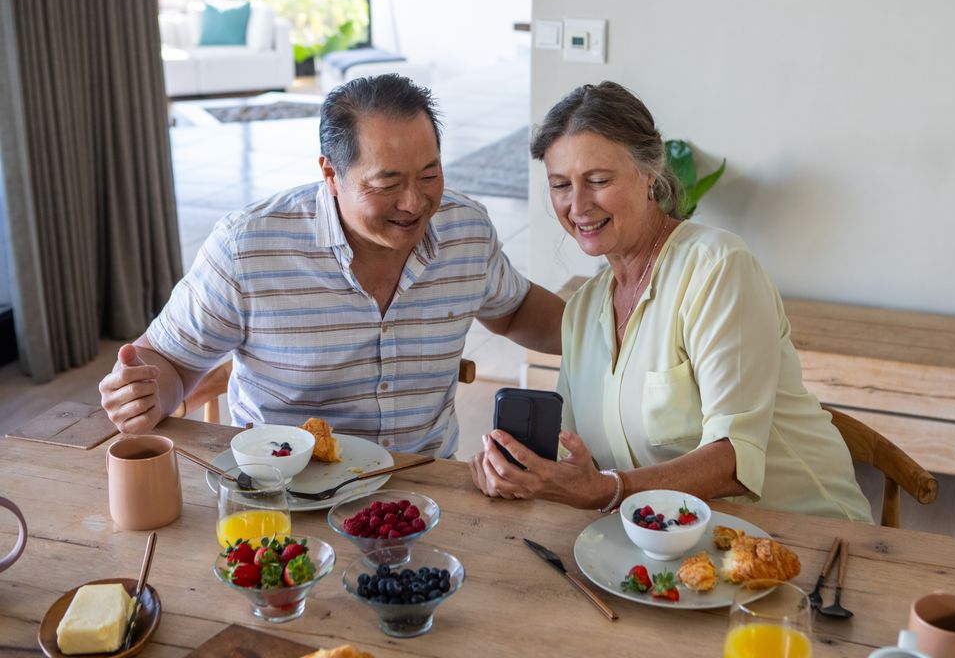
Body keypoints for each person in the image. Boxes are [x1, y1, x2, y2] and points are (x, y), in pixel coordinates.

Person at [99, 74, 563, 458]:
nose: (414, 202)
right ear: (330, 175)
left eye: (430, 175)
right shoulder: (248, 248)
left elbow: (517, 311)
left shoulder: (466, 230)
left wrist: (619, 332)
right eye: (387, 183)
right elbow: (171, 361)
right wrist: (143, 394)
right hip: (287, 487)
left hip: (426, 488)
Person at [469, 82, 872, 521]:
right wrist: (520, 473)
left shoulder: (717, 268)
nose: (578, 204)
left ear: (650, 174)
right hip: (671, 543)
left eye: (599, 181)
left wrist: (605, 489)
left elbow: (733, 460)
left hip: (804, 533)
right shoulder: (584, 309)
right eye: (561, 185)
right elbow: (576, 462)